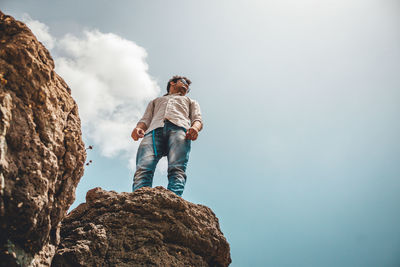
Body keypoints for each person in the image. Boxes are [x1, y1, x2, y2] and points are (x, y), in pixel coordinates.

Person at [131, 75, 203, 196]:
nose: (186, 86)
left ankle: (173, 200)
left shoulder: (190, 101)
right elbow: (146, 119)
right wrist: (139, 128)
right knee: (143, 168)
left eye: (188, 87)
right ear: (172, 83)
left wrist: (195, 128)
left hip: (180, 130)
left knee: (177, 169)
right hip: (153, 131)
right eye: (184, 82)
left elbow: (197, 119)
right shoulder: (155, 101)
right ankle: (139, 200)